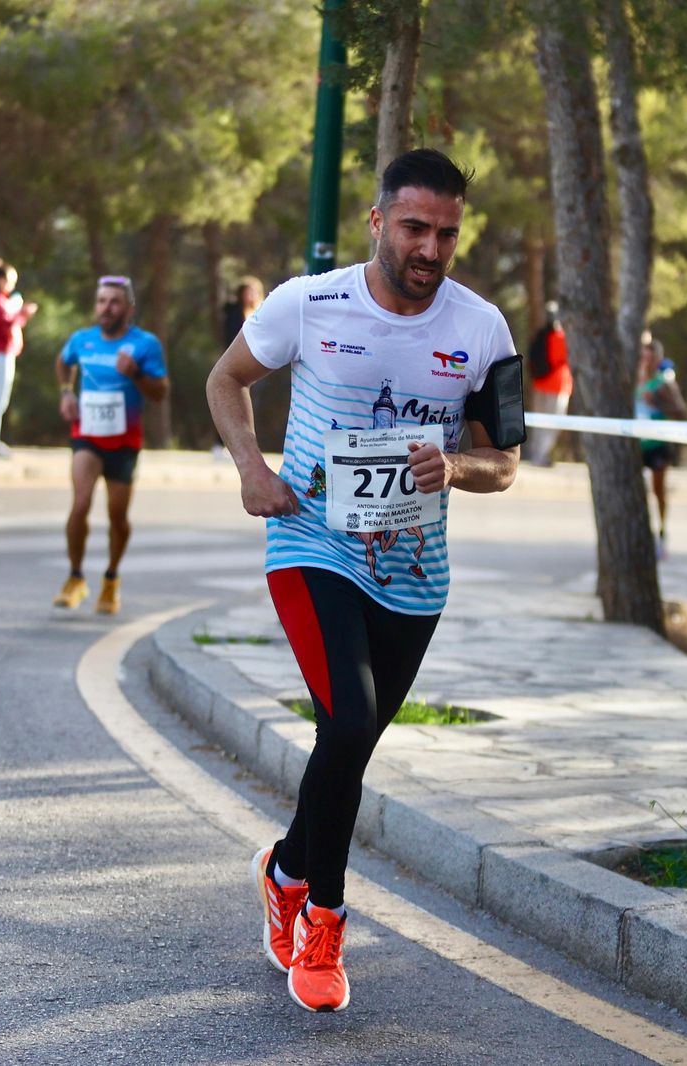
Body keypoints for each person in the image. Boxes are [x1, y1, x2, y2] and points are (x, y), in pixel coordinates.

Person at [206, 148, 521, 1014]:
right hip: (310, 543)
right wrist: (251, 468)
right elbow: (226, 379)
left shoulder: (484, 329)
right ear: (377, 222)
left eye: (447, 233)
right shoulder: (307, 303)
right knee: (346, 719)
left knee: (350, 743)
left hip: (414, 574)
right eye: (415, 227)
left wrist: (455, 467)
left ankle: (286, 867)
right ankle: (325, 923)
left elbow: (505, 466)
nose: (431, 247)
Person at [52, 275, 168, 614]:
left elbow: (160, 393)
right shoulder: (82, 339)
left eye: (114, 301)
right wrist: (66, 393)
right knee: (81, 502)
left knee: (117, 516)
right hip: (86, 435)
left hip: (125, 440)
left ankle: (111, 579)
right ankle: (75, 577)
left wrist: (135, 374)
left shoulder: (145, 344)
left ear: (128, 308)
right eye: (102, 301)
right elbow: (63, 363)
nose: (106, 307)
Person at [0, 259, 39, 457]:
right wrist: (23, 314)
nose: (12, 285)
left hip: (4, 353)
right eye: (10, 280)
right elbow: (6, 321)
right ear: (0, 280)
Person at [638, 337, 687, 554]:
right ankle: (641, 536)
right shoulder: (634, 383)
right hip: (638, 444)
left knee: (658, 491)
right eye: (643, 358)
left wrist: (656, 402)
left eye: (650, 358)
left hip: (658, 443)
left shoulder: (664, 383)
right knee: (637, 492)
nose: (646, 362)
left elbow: (681, 412)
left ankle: (662, 532)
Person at [214, 276, 265, 458]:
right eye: (247, 292)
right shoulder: (234, 314)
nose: (250, 295)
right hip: (238, 364)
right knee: (228, 402)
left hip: (258, 367)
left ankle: (248, 446)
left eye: (253, 292)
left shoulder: (261, 312)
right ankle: (220, 444)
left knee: (250, 405)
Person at [524, 302, 570, 467]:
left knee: (538, 422)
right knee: (553, 422)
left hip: (540, 384)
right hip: (557, 386)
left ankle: (536, 454)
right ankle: (540, 456)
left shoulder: (540, 335)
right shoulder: (561, 337)